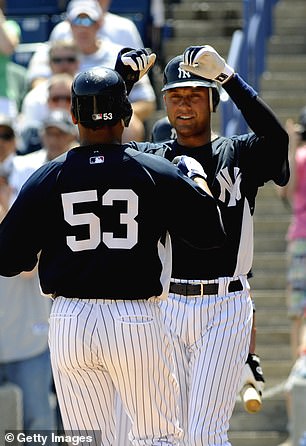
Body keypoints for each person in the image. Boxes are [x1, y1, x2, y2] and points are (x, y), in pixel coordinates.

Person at [0, 56, 226, 445]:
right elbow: (210, 233)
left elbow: (6, 258)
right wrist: (197, 179)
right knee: (157, 436)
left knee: (90, 439)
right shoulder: (152, 170)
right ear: (125, 114)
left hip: (70, 319)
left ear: (73, 116)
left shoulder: (47, 175)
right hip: (133, 317)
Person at [117, 44, 289, 445]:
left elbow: (277, 141)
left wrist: (229, 78)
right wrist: (120, 87)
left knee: (205, 434)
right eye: (175, 96)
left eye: (194, 94)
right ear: (164, 103)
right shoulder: (154, 157)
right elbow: (103, 150)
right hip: (167, 304)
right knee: (167, 432)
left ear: (212, 100)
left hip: (225, 303)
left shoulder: (238, 151)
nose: (184, 104)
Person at [26, 0, 156, 143]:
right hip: (60, 121)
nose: (82, 27)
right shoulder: (57, 49)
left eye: (88, 20)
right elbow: (38, 88)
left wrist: (106, 115)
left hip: (107, 125)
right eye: (77, 20)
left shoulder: (121, 57)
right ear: (69, 24)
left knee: (132, 125)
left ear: (99, 23)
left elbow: (147, 102)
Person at [0, 115, 56, 432]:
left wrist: (5, 204)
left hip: (28, 340)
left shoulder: (31, 178)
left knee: (39, 427)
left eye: (5, 135)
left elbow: (26, 265)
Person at [277, 108, 306, 445]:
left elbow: (286, 190)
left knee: (298, 305)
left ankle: (300, 358)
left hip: (299, 237)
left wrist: (292, 145)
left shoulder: (298, 155)